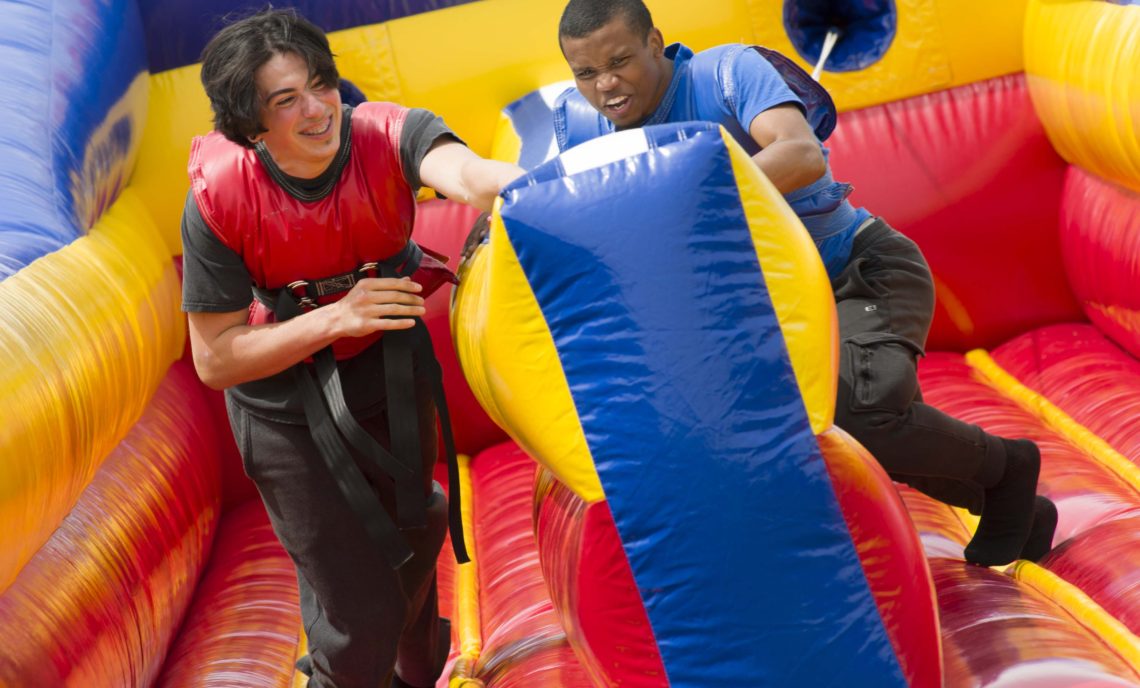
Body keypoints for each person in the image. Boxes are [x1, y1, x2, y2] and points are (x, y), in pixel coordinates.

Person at [552, 0, 1056, 567]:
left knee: (855, 410)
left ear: (654, 42)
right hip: (763, 316)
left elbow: (801, 154)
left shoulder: (724, 72)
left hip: (857, 273)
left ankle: (1010, 466)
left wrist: (687, 193)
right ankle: (1017, 506)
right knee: (841, 445)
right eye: (586, 73)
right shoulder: (582, 129)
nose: (607, 85)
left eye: (620, 61)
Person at [180, 9, 523, 688]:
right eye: (286, 100)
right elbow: (215, 358)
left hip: (387, 376)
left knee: (417, 536)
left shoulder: (389, 133)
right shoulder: (219, 194)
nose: (317, 110)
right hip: (285, 408)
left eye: (321, 84)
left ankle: (416, 674)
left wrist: (561, 185)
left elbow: (473, 176)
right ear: (251, 127)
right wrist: (338, 317)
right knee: (357, 610)